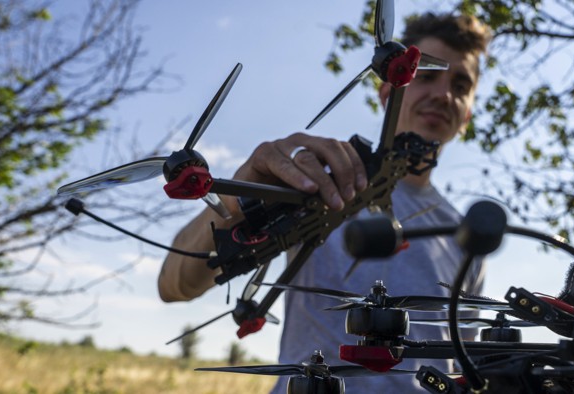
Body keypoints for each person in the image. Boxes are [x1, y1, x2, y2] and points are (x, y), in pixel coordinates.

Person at [159, 12, 492, 393]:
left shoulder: (468, 235)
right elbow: (174, 285)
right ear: (388, 91)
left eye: (461, 84)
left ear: (467, 114)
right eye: (428, 75)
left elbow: (462, 364)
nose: (443, 95)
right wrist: (239, 198)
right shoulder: (321, 181)